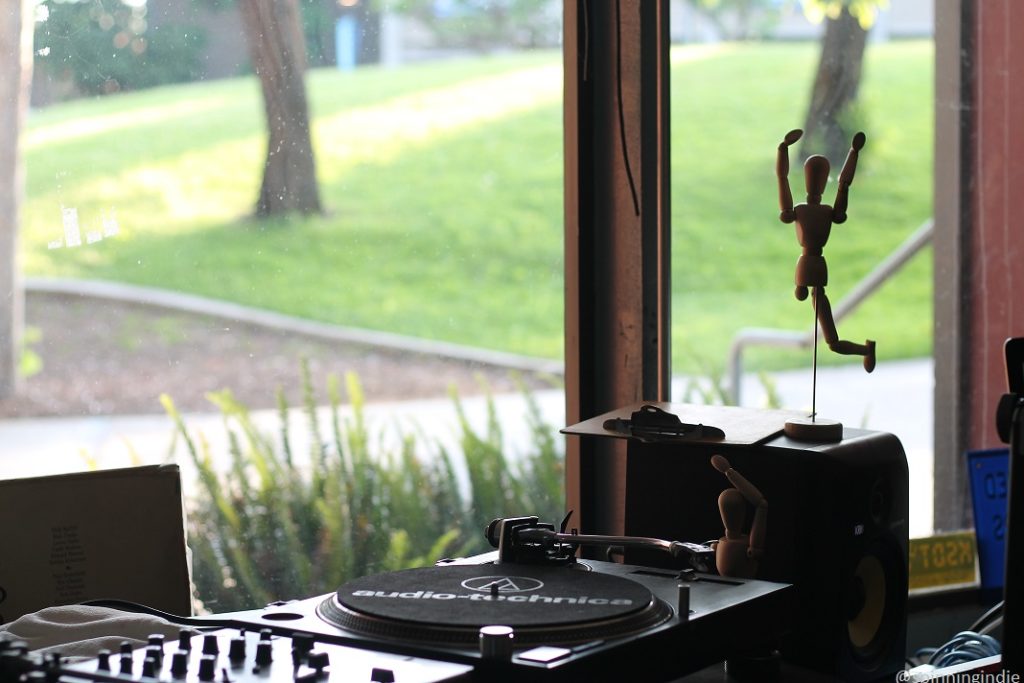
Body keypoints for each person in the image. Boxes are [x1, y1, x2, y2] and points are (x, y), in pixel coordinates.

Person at [776, 128, 876, 373]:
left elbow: (784, 181)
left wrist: (783, 150)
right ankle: (861, 349)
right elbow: (843, 186)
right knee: (816, 309)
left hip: (814, 267)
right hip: (813, 265)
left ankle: (864, 349)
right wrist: (853, 152)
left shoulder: (802, 210)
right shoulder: (824, 212)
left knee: (828, 333)